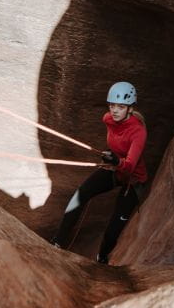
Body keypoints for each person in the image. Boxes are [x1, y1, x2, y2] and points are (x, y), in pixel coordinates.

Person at [50, 81, 148, 264]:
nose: (115, 110)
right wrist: (113, 159)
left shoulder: (138, 131)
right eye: (112, 105)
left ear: (130, 108)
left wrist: (116, 160)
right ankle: (57, 242)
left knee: (113, 231)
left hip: (133, 180)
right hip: (115, 170)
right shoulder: (109, 120)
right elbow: (118, 148)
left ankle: (102, 257)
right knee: (80, 195)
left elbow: (130, 165)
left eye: (120, 106)